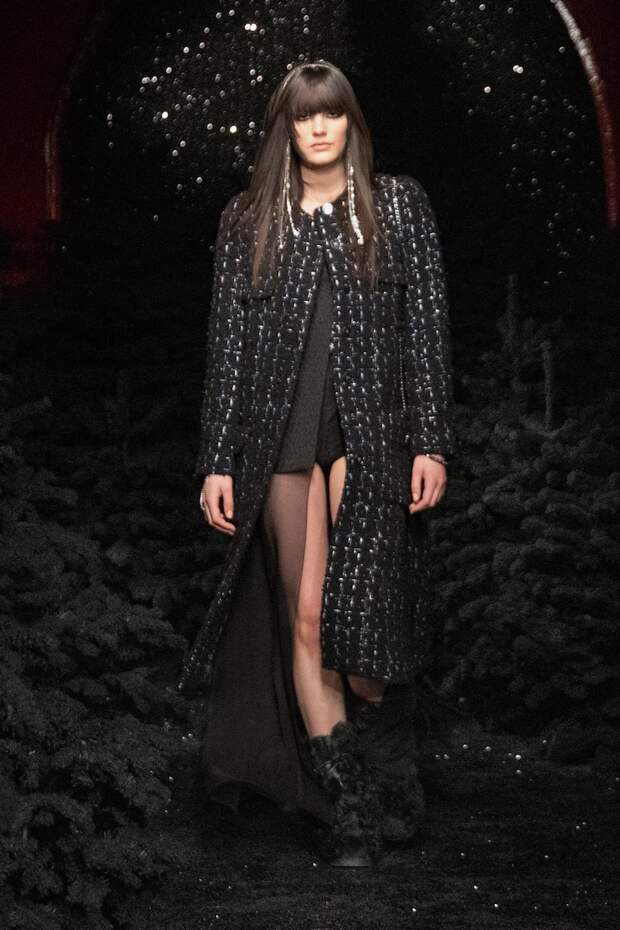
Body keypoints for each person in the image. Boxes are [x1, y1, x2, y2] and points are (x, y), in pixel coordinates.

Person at [182, 60, 457, 868]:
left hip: (373, 433)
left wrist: (432, 440)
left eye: (331, 112)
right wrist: (217, 459)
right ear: (287, 128)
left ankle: (390, 764)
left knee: (363, 627)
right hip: (281, 435)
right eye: (305, 116)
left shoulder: (396, 205)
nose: (319, 127)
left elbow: (426, 327)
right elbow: (228, 347)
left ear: (350, 121)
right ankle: (350, 807)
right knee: (305, 620)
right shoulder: (251, 219)